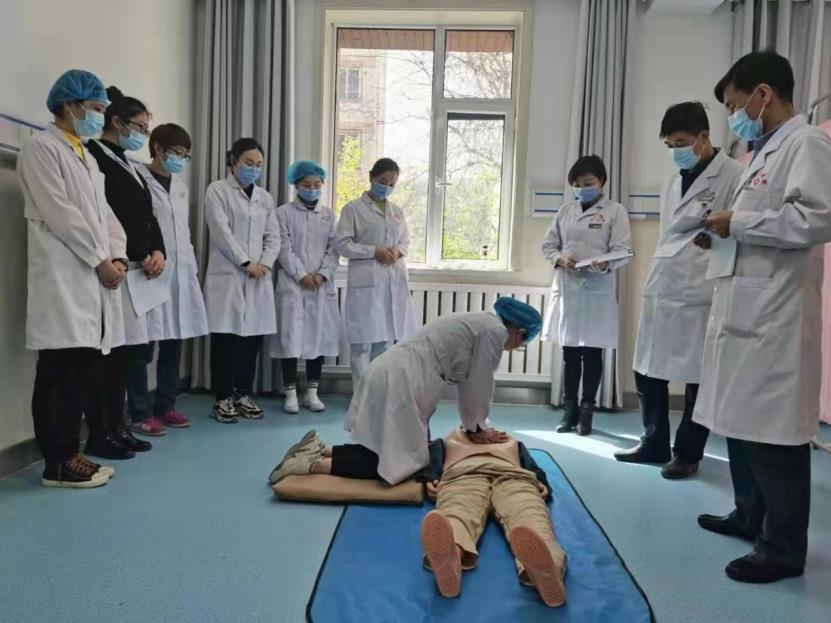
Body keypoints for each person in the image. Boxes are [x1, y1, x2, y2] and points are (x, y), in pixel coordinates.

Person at [693, 51, 831, 583]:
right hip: (747, 309)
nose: (734, 116)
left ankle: (782, 550)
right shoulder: (763, 152)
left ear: (763, 95)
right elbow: (759, 220)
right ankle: (749, 515)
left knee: (775, 437)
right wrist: (723, 232)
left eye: (735, 105)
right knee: (742, 427)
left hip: (777, 316)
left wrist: (740, 223)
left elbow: (817, 218)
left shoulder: (806, 143)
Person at [271, 427, 566, 608]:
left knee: (530, 518)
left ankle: (544, 568)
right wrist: (431, 479)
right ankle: (451, 555)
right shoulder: (447, 440)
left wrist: (543, 483)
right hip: (461, 477)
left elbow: (532, 466)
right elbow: (430, 463)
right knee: (456, 514)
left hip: (514, 478)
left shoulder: (511, 442)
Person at [270, 298, 541, 486]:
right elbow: (479, 382)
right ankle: (311, 465)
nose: (516, 348)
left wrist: (474, 424)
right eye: (522, 343)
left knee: (389, 447)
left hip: (391, 371)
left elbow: (469, 381)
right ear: (518, 332)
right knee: (407, 463)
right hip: (402, 379)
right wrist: (478, 428)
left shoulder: (481, 321)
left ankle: (321, 450)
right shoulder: (494, 331)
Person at [614, 102, 743, 479]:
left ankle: (687, 453)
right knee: (647, 369)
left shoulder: (733, 176)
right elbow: (669, 234)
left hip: (702, 290)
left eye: (682, 143)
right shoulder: (672, 181)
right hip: (664, 284)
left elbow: (740, 228)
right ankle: (654, 442)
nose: (676, 151)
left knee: (697, 377)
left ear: (704, 137)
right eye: (670, 145)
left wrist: (714, 239)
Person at [18, 69, 125, 487]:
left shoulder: (86, 156)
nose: (100, 116)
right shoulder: (42, 148)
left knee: (80, 370)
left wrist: (117, 255)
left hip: (92, 277)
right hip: (64, 276)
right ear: (69, 105)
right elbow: (61, 214)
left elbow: (105, 215)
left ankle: (71, 454)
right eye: (96, 108)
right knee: (59, 372)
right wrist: (100, 260)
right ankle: (57, 462)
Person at [86, 87, 165, 460]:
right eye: (140, 127)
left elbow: (147, 216)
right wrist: (133, 254)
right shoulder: (94, 156)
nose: (142, 135)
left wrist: (158, 251)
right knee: (109, 359)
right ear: (116, 122)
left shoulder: (129, 165)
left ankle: (117, 427)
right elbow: (107, 217)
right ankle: (103, 431)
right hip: (114, 269)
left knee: (129, 355)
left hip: (137, 272)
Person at [541, 155, 632, 436]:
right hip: (569, 286)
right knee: (570, 352)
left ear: (601, 181)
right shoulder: (565, 211)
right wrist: (560, 259)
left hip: (597, 288)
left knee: (593, 352)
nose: (583, 188)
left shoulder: (615, 211)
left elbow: (623, 250)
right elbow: (548, 246)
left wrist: (605, 264)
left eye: (588, 183)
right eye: (578, 184)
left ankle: (587, 411)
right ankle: (569, 410)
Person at [131, 124, 209, 436]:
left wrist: (190, 267)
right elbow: (137, 224)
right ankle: (139, 412)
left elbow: (182, 231)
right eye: (177, 153)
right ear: (158, 149)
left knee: (174, 341)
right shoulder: (137, 177)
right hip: (149, 271)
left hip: (179, 271)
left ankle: (166, 405)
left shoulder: (180, 187)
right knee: (142, 346)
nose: (181, 160)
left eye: (186, 155)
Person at [204, 138, 280, 423]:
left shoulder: (265, 198)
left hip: (259, 276)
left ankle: (243, 393)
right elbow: (221, 232)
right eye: (248, 163)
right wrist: (246, 263)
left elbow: (273, 236)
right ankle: (222, 397)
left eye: (258, 164)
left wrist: (265, 264)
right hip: (229, 275)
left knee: (252, 341)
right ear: (233, 161)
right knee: (225, 339)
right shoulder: (217, 191)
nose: (254, 169)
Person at [334, 158, 417, 387]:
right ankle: (362, 396)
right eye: (382, 181)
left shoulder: (396, 211)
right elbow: (342, 244)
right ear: (371, 177)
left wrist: (397, 251)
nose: (386, 187)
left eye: (392, 184)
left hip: (392, 281)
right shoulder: (352, 209)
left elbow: (405, 241)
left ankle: (379, 394)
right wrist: (374, 251)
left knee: (385, 343)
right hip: (366, 284)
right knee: (362, 345)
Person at [269, 160, 340, 414]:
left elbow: (334, 249)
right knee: (289, 338)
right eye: (306, 185)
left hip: (320, 286)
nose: (312, 189)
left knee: (317, 338)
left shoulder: (329, 215)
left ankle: (312, 393)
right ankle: (290, 393)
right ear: (296, 184)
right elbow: (283, 248)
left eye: (317, 185)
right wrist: (301, 275)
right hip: (292, 284)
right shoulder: (282, 213)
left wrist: (322, 275)